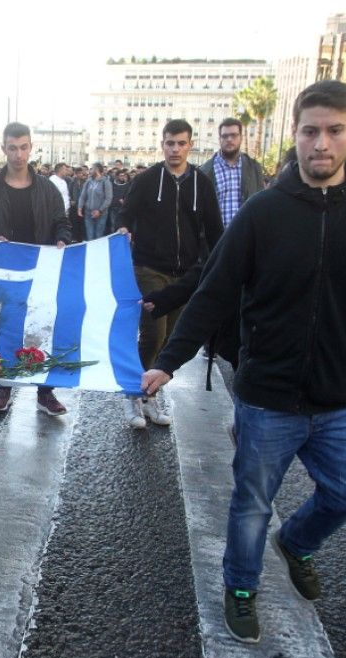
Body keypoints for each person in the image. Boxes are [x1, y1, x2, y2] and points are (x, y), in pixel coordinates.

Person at [141, 81, 346, 644]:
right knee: (251, 503)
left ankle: (299, 543)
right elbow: (213, 291)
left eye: (334, 130)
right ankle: (241, 587)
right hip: (267, 393)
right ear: (295, 134)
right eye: (310, 130)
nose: (321, 143)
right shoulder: (264, 211)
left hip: (341, 396)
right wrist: (168, 361)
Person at [119, 118, 223, 427]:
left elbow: (215, 228)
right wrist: (123, 227)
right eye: (169, 143)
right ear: (162, 144)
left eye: (181, 143)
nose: (175, 149)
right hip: (149, 267)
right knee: (153, 335)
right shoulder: (148, 179)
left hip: (186, 275)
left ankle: (150, 395)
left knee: (170, 341)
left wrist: (221, 263)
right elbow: (126, 213)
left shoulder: (202, 184)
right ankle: (133, 396)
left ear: (190, 145)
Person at [0, 122, 72, 416]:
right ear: (4, 149)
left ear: (30, 147)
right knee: (6, 330)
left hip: (41, 271)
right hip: (5, 272)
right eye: (12, 148)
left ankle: (45, 392)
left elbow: (62, 222)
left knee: (43, 329)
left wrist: (63, 238)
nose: (18, 154)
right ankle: (4, 387)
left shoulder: (48, 188)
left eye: (23, 147)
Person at [200, 118, 266, 229]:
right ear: (219, 139)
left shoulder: (254, 169)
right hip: (216, 242)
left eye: (234, 135)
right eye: (225, 136)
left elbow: (262, 206)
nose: (229, 139)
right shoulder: (204, 171)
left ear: (241, 137)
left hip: (246, 241)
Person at [78, 162, 113, 241]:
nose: (90, 171)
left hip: (101, 214)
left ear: (97, 170)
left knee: (98, 236)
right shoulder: (89, 181)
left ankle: (97, 252)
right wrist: (80, 207)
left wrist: (100, 211)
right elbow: (83, 196)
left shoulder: (106, 182)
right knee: (89, 235)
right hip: (88, 212)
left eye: (92, 169)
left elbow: (108, 199)